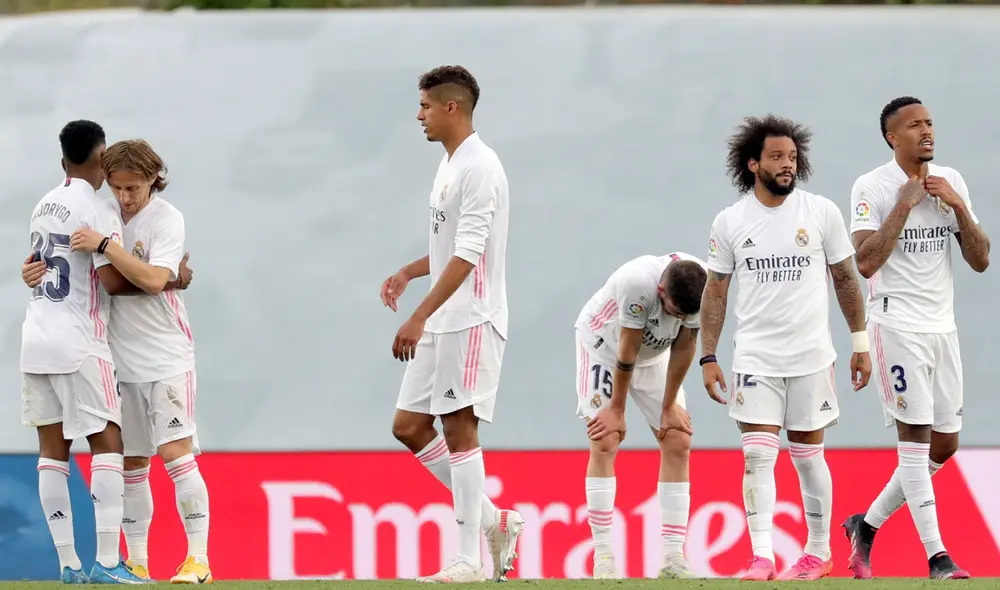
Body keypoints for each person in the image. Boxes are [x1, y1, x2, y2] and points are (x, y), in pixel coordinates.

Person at [699, 115, 872, 581]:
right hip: (755, 356)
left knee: (807, 455)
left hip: (812, 356)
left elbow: (845, 279)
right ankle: (761, 556)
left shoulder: (821, 213)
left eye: (793, 157)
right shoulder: (731, 221)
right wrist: (708, 355)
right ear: (753, 163)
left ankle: (817, 553)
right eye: (777, 156)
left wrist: (860, 342)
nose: (787, 165)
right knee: (757, 455)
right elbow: (716, 291)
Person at [380, 65, 523, 583]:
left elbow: (468, 255)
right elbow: (446, 251)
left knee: (460, 426)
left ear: (451, 108)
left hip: (472, 318)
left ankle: (469, 560)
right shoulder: (449, 166)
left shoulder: (480, 167)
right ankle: (495, 520)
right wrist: (409, 272)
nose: (418, 115)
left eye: (424, 106)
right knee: (410, 426)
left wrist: (419, 315)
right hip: (444, 317)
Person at [841, 97, 988, 581]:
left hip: (942, 328)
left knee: (944, 446)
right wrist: (904, 204)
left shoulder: (951, 181)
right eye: (914, 125)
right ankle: (937, 556)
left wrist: (960, 207)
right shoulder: (873, 186)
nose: (926, 131)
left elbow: (981, 258)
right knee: (915, 440)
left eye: (929, 123)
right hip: (897, 326)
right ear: (892, 137)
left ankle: (866, 525)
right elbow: (864, 261)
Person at [20, 120, 148, 584]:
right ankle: (110, 563)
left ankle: (68, 565)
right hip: (79, 340)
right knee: (107, 441)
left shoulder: (41, 205)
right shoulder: (97, 209)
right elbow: (112, 282)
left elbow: (36, 268)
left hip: (35, 337)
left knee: (52, 452)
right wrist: (165, 279)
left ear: (62, 161)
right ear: (102, 157)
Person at [577, 253, 706, 580]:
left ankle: (673, 558)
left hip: (655, 357)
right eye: (674, 311)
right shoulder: (638, 284)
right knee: (605, 439)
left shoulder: (701, 285)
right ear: (662, 291)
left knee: (677, 438)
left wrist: (668, 407)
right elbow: (626, 352)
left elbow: (685, 346)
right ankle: (604, 556)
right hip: (604, 348)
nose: (678, 318)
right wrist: (617, 411)